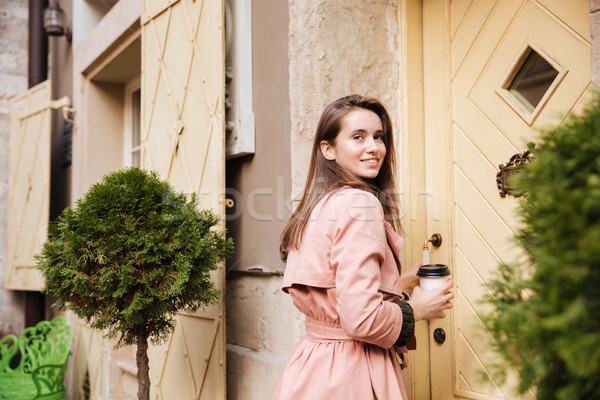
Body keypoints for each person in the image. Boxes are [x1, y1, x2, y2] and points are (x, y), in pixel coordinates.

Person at [273, 95, 454, 399]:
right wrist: (417, 310)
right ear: (328, 149)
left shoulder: (318, 204)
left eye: (379, 136)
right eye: (358, 137)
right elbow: (360, 318)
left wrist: (400, 282)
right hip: (352, 371)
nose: (374, 147)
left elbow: (334, 289)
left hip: (313, 366)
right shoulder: (361, 203)